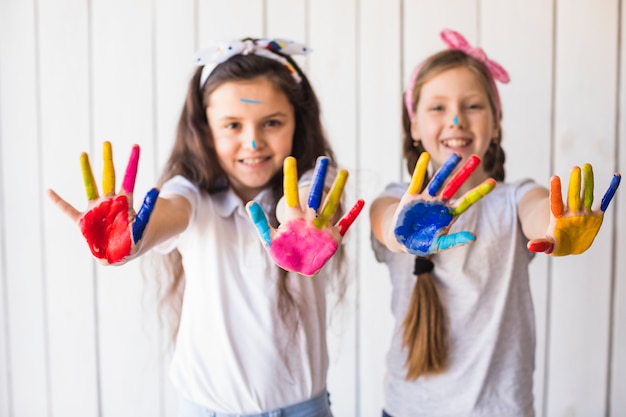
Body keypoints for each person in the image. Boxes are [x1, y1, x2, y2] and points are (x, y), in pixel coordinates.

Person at [48, 37, 364, 417]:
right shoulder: (191, 194)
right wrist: (130, 236)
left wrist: (294, 217)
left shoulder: (316, 187)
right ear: (204, 127)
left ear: (299, 122)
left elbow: (302, 200)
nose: (253, 142)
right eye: (232, 124)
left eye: (272, 123)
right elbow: (167, 213)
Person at [369, 29, 621, 417]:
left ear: (496, 122)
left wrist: (557, 225)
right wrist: (403, 232)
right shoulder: (393, 198)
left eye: (473, 106)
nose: (456, 119)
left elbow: (539, 214)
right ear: (414, 125)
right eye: (437, 108)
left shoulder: (514, 197)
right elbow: (386, 223)